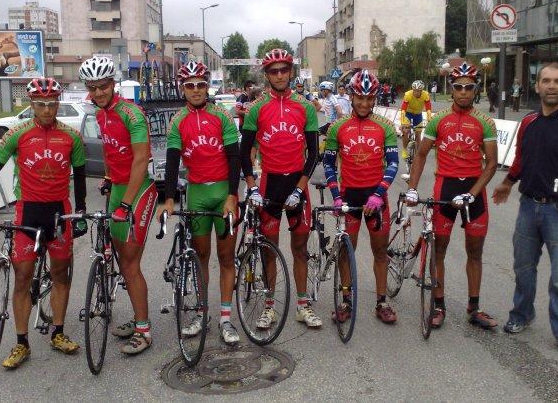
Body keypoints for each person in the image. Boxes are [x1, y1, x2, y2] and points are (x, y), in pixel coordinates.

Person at [0, 77, 87, 369]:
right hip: (27, 212)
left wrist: (81, 213)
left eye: (52, 104)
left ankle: (58, 333)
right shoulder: (17, 134)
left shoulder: (71, 136)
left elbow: (79, 177)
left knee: (61, 275)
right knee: (23, 278)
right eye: (41, 104)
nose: (47, 110)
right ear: (31, 105)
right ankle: (21, 342)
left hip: (59, 212)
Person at [406, 63, 498, 329]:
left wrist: (472, 194)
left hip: (473, 192)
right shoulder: (438, 119)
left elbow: (491, 164)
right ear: (451, 88)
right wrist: (412, 187)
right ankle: (439, 305)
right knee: (439, 251)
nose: (463, 92)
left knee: (475, 251)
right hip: (444, 187)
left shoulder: (485, 122)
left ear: (476, 89)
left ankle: (474, 307)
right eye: (458, 87)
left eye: (469, 87)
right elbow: (421, 154)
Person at [157, 61, 241, 345]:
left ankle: (226, 319)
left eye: (200, 85)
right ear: (183, 89)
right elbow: (171, 162)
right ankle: (202, 314)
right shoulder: (178, 120)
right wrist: (168, 199)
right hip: (196, 194)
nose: (196, 90)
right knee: (201, 257)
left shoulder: (222, 117)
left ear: (208, 86)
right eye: (190, 85)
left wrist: (232, 195)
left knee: (226, 257)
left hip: (222, 194)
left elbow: (234, 158)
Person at [79, 56, 157, 355]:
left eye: (103, 86)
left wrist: (125, 202)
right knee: (118, 257)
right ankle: (138, 319)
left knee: (130, 263)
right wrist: (110, 177)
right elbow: (114, 152)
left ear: (114, 84)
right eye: (92, 87)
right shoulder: (100, 115)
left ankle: (145, 330)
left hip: (139, 190)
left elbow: (140, 159)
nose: (98, 92)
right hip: (119, 187)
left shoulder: (132, 114)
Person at [492, 62, 558, 356]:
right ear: (536, 86)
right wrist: (507, 183)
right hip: (528, 207)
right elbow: (521, 159)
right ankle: (522, 315)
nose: (551, 86)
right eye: (546, 81)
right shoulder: (528, 122)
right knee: (523, 268)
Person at [240, 48, 321, 329]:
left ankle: (302, 305)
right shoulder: (257, 109)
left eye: (283, 69)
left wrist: (300, 188)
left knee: (300, 248)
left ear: (291, 72)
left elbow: (313, 154)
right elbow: (244, 151)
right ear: (266, 75)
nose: (279, 75)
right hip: (269, 183)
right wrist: (251, 187)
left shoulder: (306, 107)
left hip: (296, 185)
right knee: (269, 250)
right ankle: (269, 307)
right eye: (273, 71)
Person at [323, 70, 399, 323]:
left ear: (376, 98)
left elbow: (392, 165)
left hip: (376, 199)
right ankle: (346, 301)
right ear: (352, 96)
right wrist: (335, 195)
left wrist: (379, 194)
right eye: (360, 98)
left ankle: (381, 302)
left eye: (370, 98)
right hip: (349, 198)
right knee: (347, 251)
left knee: (380, 252)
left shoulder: (385, 127)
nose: (364, 103)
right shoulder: (338, 127)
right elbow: (329, 165)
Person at [400, 80, 432, 160]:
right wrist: (403, 122)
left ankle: (418, 154)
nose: (416, 92)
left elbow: (428, 109)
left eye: (418, 91)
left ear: (421, 90)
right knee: (406, 131)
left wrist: (429, 119)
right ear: (412, 89)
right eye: (415, 90)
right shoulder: (408, 94)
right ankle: (404, 150)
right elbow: (403, 110)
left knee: (418, 135)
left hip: (418, 114)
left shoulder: (425, 95)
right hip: (408, 114)